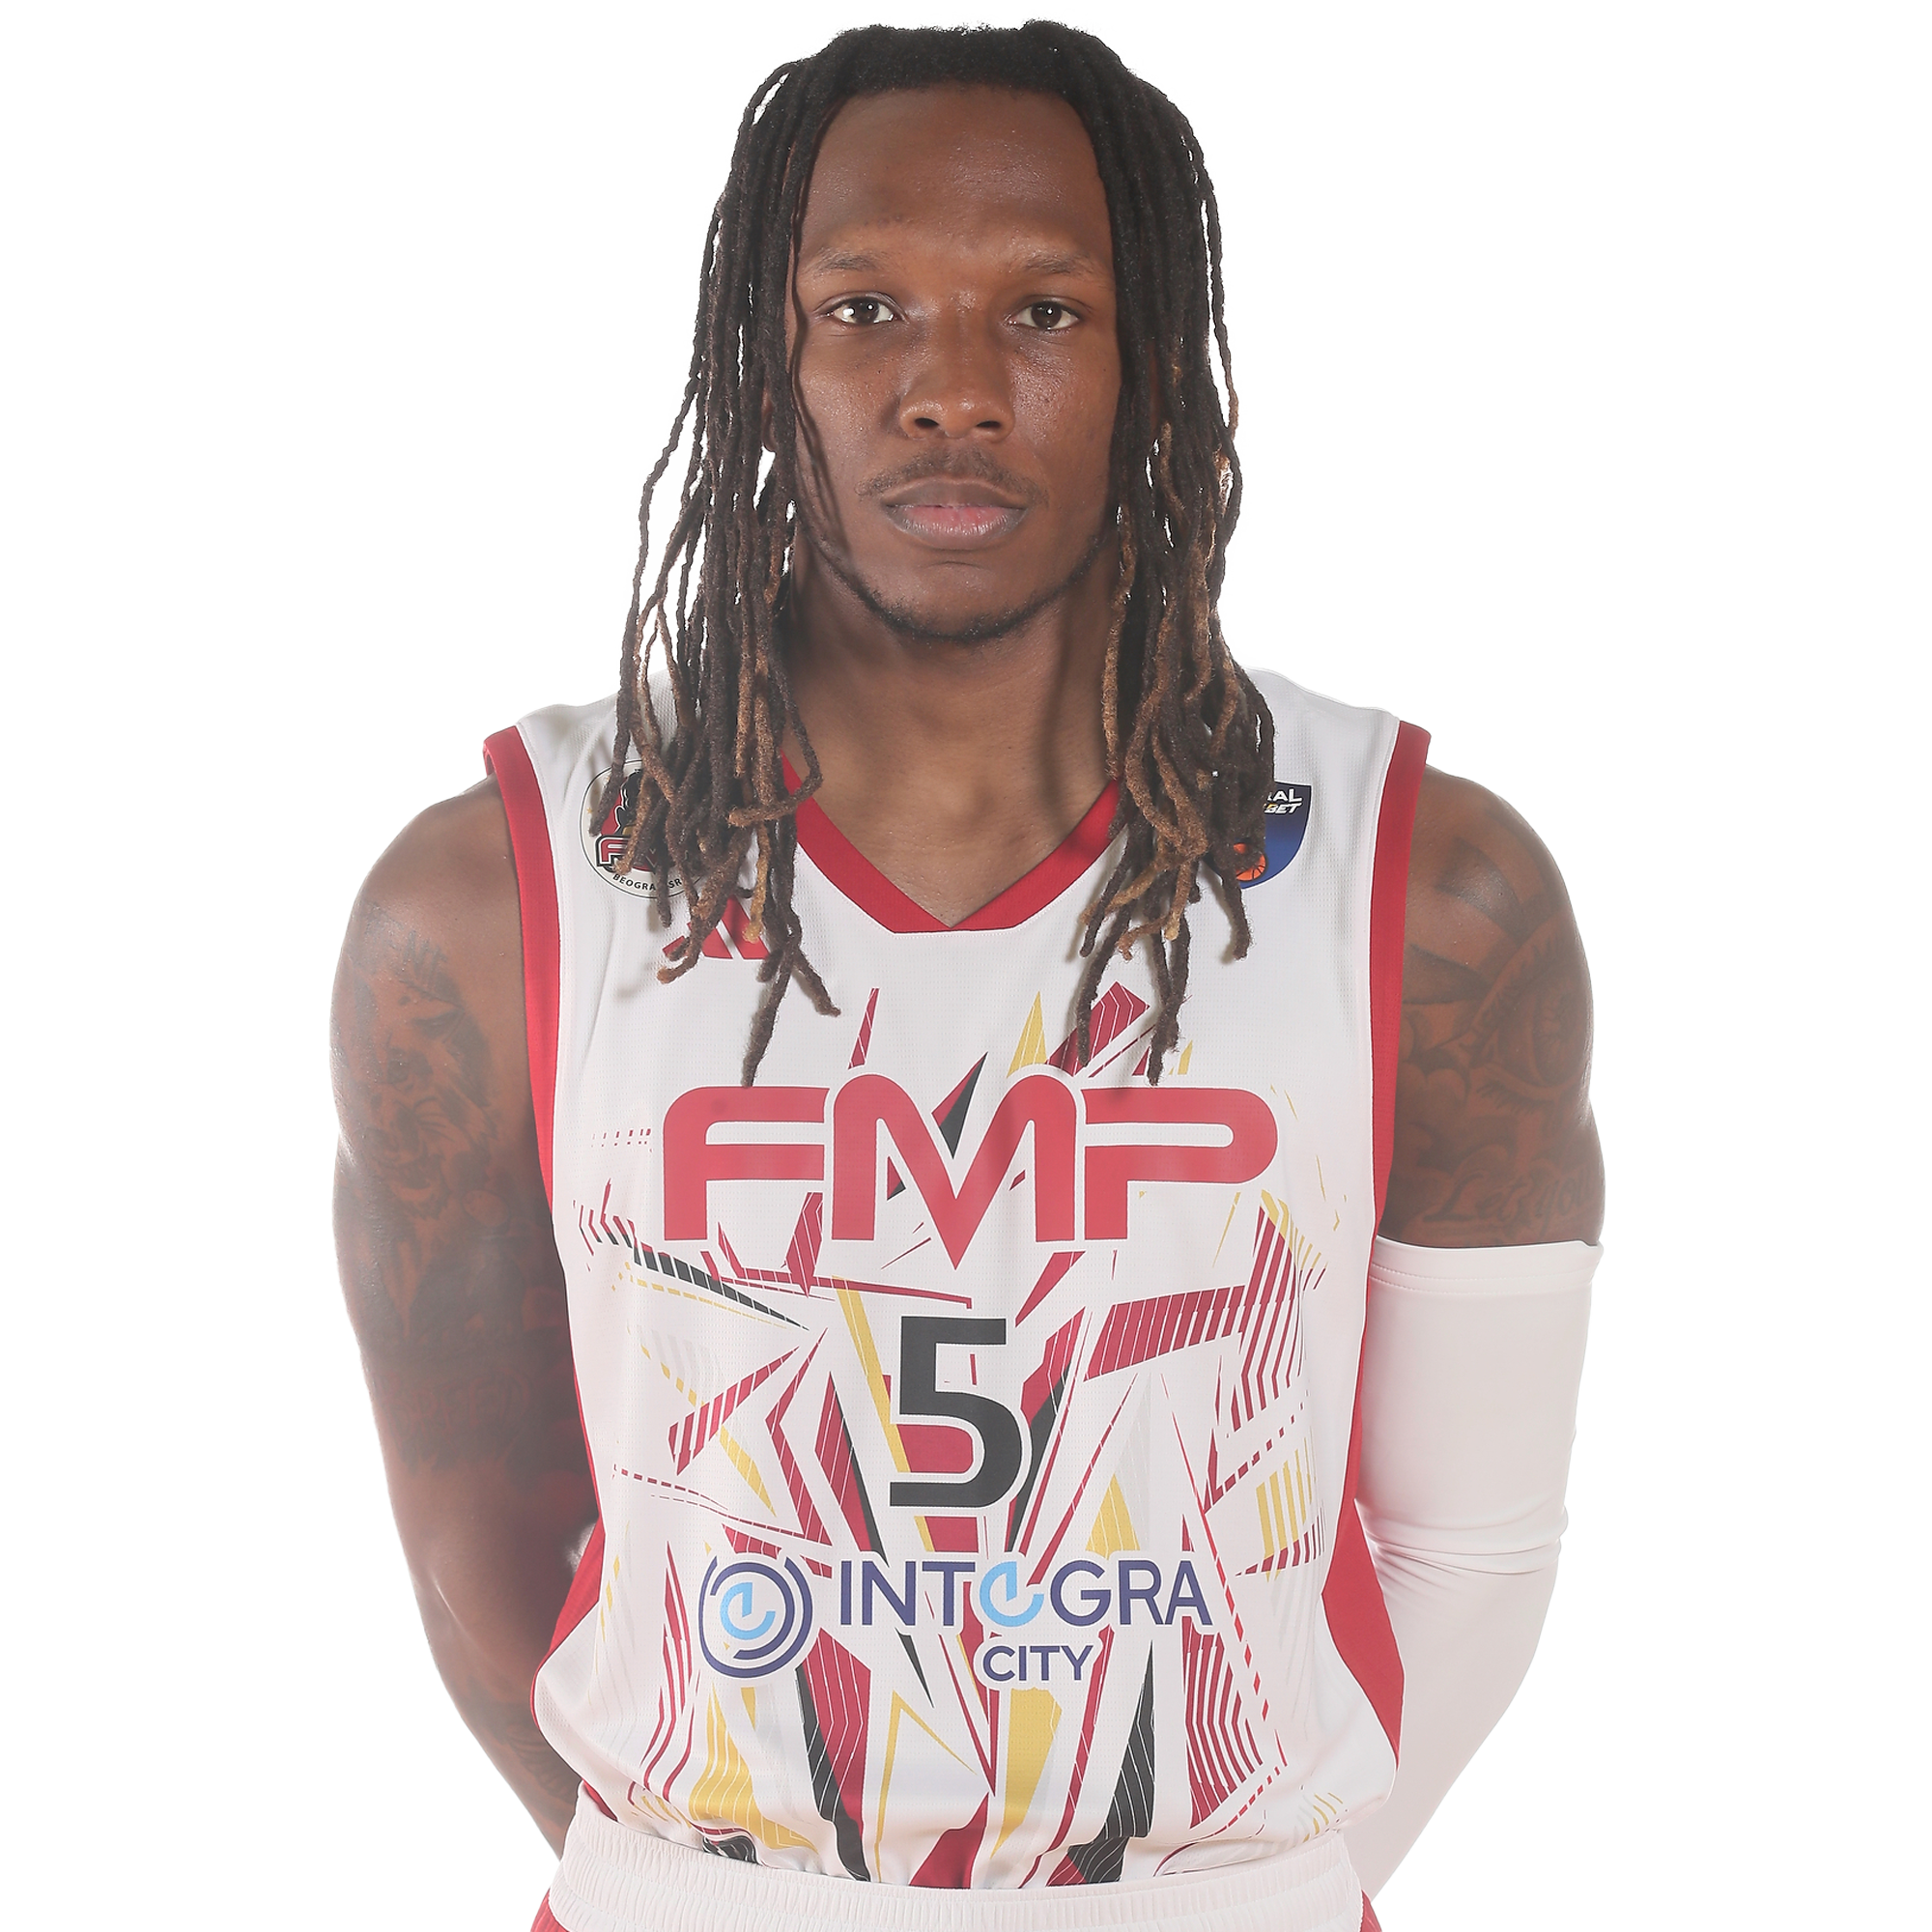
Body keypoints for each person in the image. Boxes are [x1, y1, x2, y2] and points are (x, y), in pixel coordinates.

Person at [331, 20, 1602, 1931]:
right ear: (766, 359)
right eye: (864, 310)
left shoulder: (1432, 898)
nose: (951, 391)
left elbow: (1472, 1550)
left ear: (1154, 366)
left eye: (1045, 314)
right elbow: (471, 1541)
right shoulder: (489, 899)